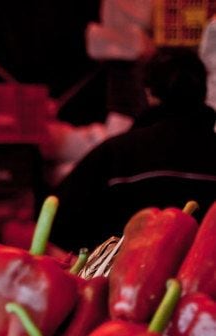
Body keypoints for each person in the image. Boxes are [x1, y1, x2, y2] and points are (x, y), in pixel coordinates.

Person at [51, 48, 216, 250]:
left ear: (149, 92)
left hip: (121, 279)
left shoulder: (115, 155)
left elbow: (58, 224)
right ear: (203, 92)